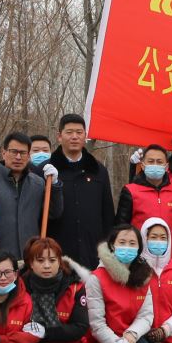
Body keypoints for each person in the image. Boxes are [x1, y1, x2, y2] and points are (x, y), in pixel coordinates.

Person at [81, 224, 156, 343]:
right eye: (122, 242)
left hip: (126, 337)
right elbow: (96, 324)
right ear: (112, 245)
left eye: (132, 243)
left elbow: (147, 315)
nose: (127, 247)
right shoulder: (96, 278)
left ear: (139, 248)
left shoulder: (143, 275)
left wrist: (130, 336)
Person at [0, 130, 63, 256]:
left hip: (31, 258)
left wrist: (55, 185)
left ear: (28, 156)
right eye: (14, 152)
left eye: (23, 153)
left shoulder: (38, 183)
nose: (18, 157)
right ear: (4, 153)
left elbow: (54, 213)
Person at [50, 113, 116, 268]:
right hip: (57, 252)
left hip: (93, 252)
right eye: (69, 132)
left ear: (85, 136)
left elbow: (107, 214)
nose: (74, 137)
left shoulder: (98, 170)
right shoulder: (47, 171)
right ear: (59, 136)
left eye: (79, 133)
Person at [117, 144, 172, 260]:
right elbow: (121, 227)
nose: (155, 165)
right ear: (143, 165)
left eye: (159, 162)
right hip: (140, 258)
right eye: (151, 161)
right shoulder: (130, 191)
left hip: (171, 258)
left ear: (166, 167)